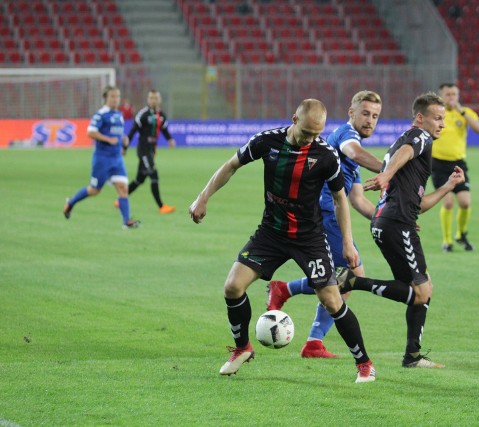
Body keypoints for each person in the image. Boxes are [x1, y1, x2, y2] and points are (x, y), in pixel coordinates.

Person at [189, 99, 376, 383]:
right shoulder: (267, 142)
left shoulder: (325, 155)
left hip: (308, 238)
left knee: (331, 300)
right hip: (271, 233)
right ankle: (242, 349)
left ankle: (364, 363)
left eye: (317, 134)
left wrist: (348, 243)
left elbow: (341, 199)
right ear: (294, 120)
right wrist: (202, 197)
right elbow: (231, 165)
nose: (311, 139)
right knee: (232, 286)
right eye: (307, 133)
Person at [338, 92, 465, 369]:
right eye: (437, 118)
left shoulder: (411, 143)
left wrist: (447, 187)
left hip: (390, 223)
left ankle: (413, 355)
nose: (441, 124)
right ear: (420, 118)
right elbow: (405, 153)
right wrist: (386, 174)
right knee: (422, 292)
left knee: (419, 288)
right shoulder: (419, 137)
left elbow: (418, 204)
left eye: (443, 119)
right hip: (396, 225)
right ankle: (354, 282)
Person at [266, 90, 383, 358]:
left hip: (326, 210)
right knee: (351, 276)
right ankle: (287, 294)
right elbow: (352, 150)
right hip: (325, 209)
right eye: (365, 113)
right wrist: (388, 169)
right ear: (351, 112)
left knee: (345, 279)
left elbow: (358, 200)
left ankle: (313, 341)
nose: (370, 120)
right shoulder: (348, 136)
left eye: (375, 116)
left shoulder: (351, 159)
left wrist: (388, 220)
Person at [63, 86, 140, 229]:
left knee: (123, 188)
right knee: (94, 190)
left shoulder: (118, 114)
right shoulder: (100, 114)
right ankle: (70, 203)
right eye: (112, 96)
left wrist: (123, 140)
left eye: (117, 96)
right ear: (106, 98)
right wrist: (108, 140)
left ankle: (126, 221)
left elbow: (117, 133)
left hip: (117, 159)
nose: (115, 99)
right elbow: (90, 132)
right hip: (102, 159)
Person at [434, 82, 479, 252]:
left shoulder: (465, 113)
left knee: (464, 202)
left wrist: (461, 111)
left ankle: (461, 234)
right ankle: (447, 241)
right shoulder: (436, 113)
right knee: (447, 203)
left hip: (458, 164)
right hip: (438, 163)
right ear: (441, 96)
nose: (451, 98)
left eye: (454, 94)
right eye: (447, 94)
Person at [116, 89, 176, 214]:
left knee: (140, 179)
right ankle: (161, 206)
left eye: (156, 98)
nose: (154, 100)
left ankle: (120, 200)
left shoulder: (161, 115)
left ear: (159, 100)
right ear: (148, 100)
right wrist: (125, 148)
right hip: (143, 150)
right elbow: (132, 131)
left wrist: (170, 139)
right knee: (153, 175)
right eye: (151, 98)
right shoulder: (142, 114)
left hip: (152, 151)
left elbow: (164, 130)